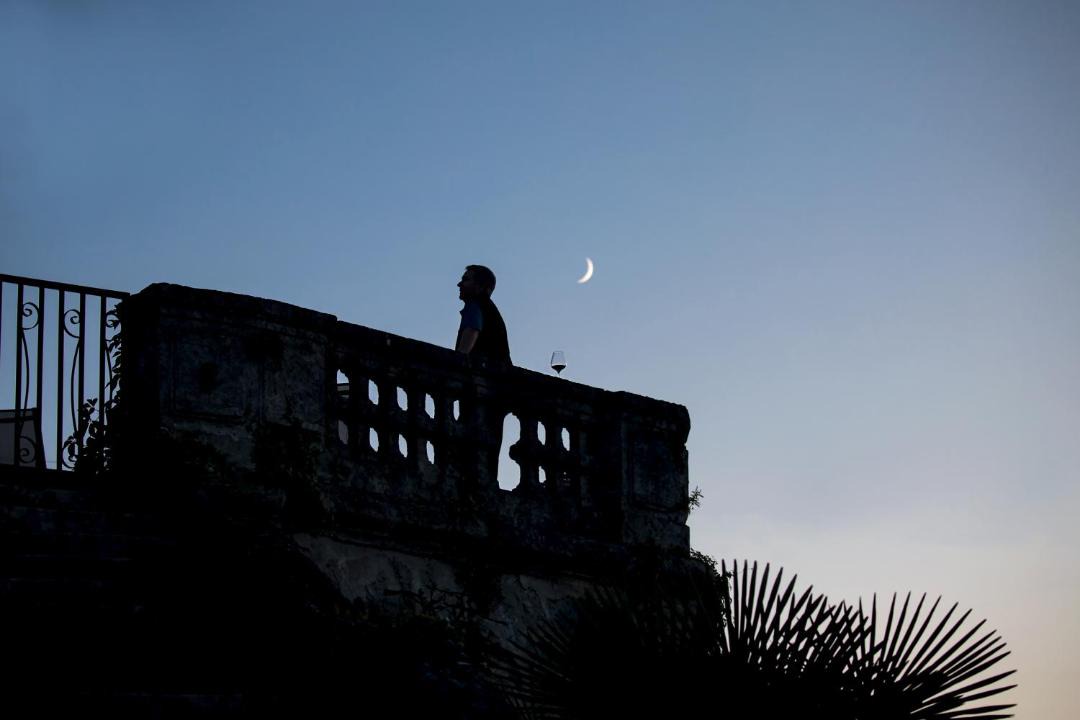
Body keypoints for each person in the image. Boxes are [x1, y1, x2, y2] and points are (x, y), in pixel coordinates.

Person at [455, 265, 511, 365]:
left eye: (466, 280)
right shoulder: (489, 310)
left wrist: (458, 361)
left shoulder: (475, 304)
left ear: (480, 286)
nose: (459, 284)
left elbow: (472, 329)